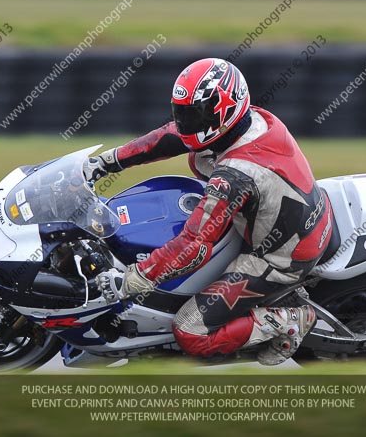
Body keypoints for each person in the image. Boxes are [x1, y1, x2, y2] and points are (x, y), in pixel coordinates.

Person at [91, 58, 333, 365]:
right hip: (280, 216)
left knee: (190, 330)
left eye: (193, 114)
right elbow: (169, 136)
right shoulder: (249, 120)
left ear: (225, 110)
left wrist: (135, 279)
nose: (184, 122)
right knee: (198, 158)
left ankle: (291, 318)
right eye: (182, 112)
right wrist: (107, 162)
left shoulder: (235, 175)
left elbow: (193, 247)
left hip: (280, 256)